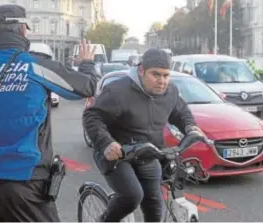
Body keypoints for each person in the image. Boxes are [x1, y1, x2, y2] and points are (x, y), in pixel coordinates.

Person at [0, 4, 98, 222]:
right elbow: (86, 87)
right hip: (27, 182)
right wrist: (87, 64)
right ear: (23, 30)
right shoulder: (35, 64)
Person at [83, 48, 204, 222]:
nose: (162, 81)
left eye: (166, 75)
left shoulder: (171, 92)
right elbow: (92, 116)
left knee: (154, 206)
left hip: (148, 153)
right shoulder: (118, 91)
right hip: (116, 153)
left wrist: (191, 127)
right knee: (132, 196)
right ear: (141, 70)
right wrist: (107, 142)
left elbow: (180, 112)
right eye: (156, 74)